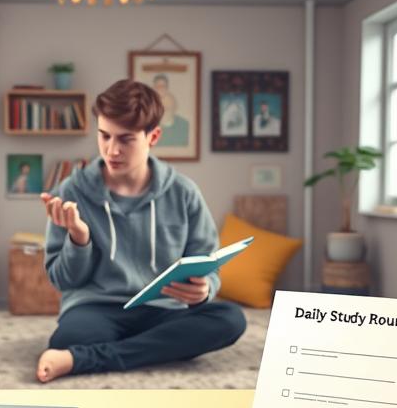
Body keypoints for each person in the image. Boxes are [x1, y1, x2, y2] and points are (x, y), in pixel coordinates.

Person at [36, 79, 246, 383]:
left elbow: (207, 264)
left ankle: (85, 359)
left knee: (230, 319)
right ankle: (144, 349)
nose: (112, 150)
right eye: (104, 136)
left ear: (153, 136)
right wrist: (78, 239)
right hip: (97, 309)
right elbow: (63, 280)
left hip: (165, 310)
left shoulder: (184, 192)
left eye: (126, 139)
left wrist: (204, 290)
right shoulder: (71, 192)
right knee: (67, 339)